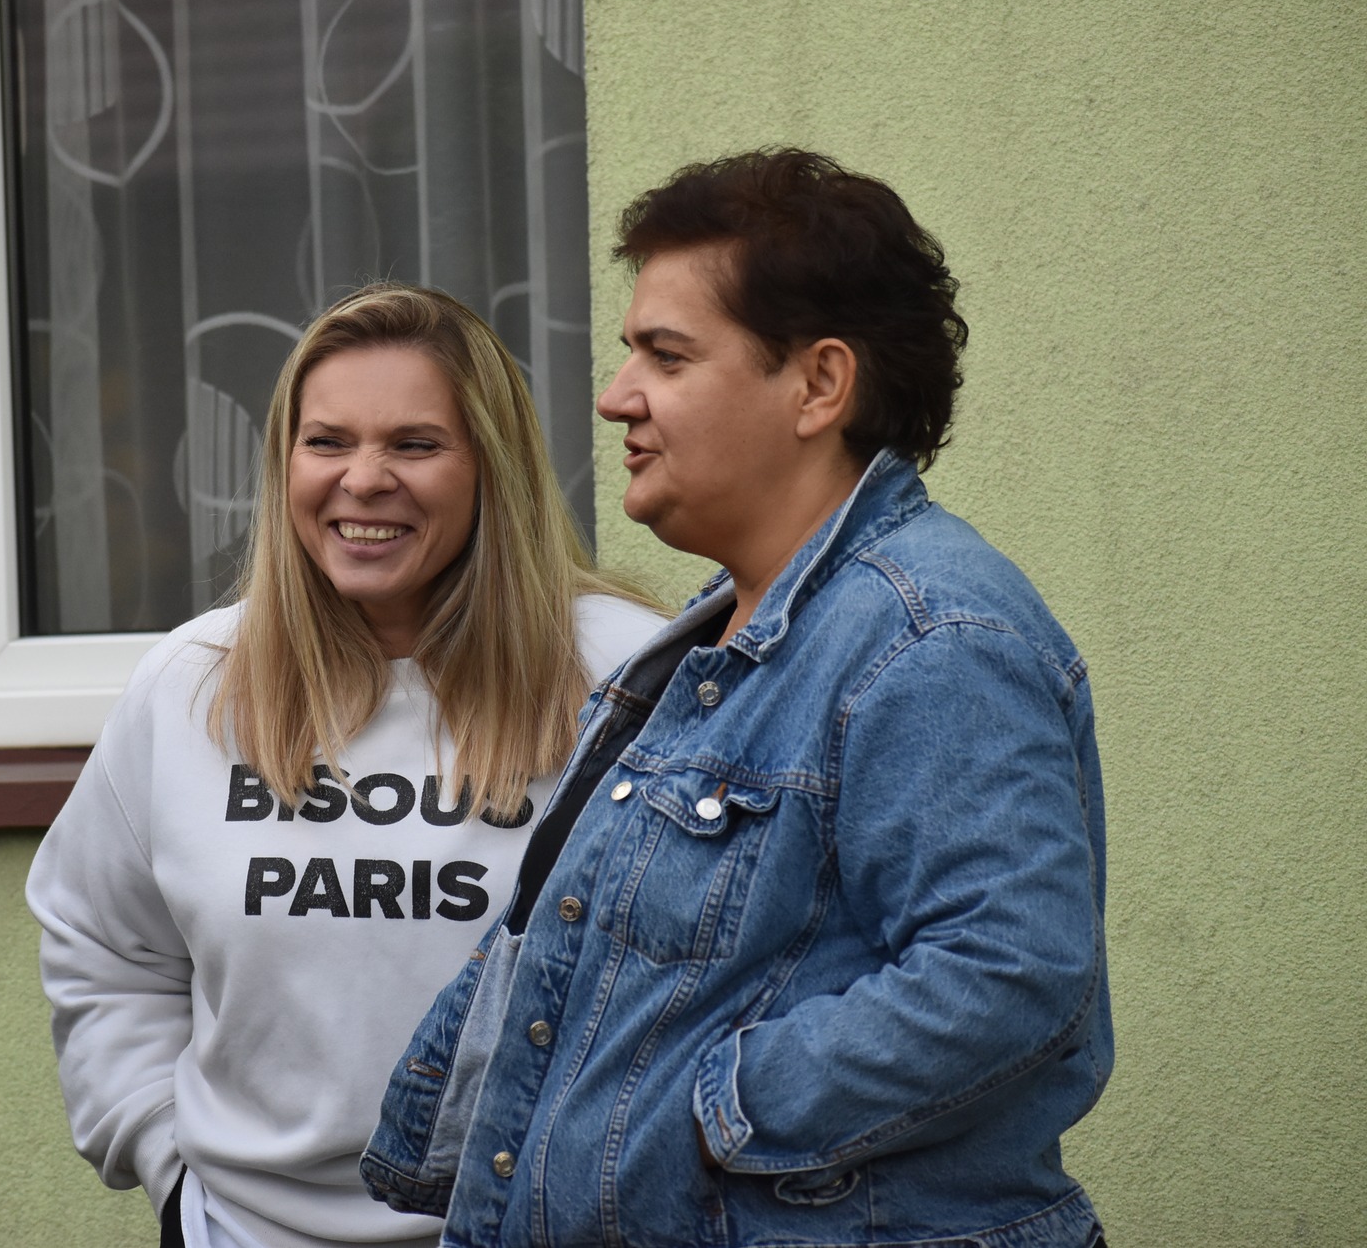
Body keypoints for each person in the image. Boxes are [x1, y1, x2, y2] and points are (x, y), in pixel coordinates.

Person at [365, 150, 1113, 1248]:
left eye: (665, 355)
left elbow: (1008, 973)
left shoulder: (931, 636)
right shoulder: (716, 636)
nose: (616, 395)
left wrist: (702, 1113)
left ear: (818, 385)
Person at [27, 284, 666, 1248]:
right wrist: (165, 1161)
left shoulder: (627, 674)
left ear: (492, 466)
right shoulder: (193, 683)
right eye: (326, 441)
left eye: (415, 444)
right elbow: (104, 947)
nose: (363, 480)